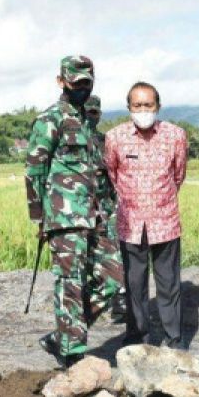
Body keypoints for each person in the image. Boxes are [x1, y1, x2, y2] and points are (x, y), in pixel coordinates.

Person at [24, 56, 110, 368]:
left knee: (112, 279)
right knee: (70, 283)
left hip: (96, 215)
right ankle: (72, 354)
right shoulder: (50, 119)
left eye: (87, 84)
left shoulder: (88, 123)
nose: (82, 89)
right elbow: (33, 171)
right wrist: (39, 217)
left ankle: (64, 334)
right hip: (64, 218)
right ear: (61, 82)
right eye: (76, 84)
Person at [104, 82, 189, 349]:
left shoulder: (175, 135)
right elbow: (112, 174)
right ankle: (137, 338)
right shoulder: (115, 137)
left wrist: (159, 199)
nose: (143, 110)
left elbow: (179, 175)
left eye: (148, 105)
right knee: (134, 285)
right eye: (138, 105)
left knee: (169, 284)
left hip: (165, 221)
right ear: (129, 107)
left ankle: (173, 338)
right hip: (130, 224)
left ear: (158, 106)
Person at [85, 95, 126, 324]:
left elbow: (115, 178)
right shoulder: (66, 141)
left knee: (114, 261)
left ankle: (120, 302)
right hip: (76, 215)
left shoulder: (106, 143)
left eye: (94, 113)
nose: (89, 117)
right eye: (86, 112)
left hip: (105, 212)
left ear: (99, 115)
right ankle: (79, 313)